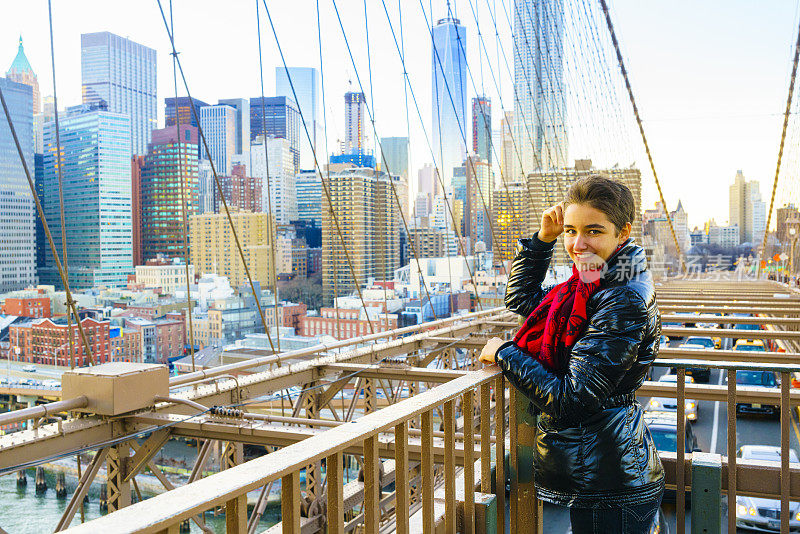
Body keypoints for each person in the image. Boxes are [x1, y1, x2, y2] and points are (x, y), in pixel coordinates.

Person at [478, 175, 664, 533]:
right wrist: (542, 240)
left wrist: (505, 354)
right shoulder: (592, 282)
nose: (578, 244)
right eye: (570, 231)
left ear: (623, 232)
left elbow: (573, 398)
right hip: (605, 471)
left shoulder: (621, 296)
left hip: (610, 482)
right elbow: (524, 302)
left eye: (593, 231)